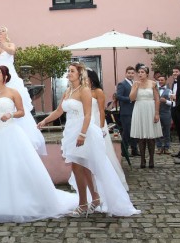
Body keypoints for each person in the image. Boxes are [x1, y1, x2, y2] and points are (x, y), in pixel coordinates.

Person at [0, 66, 78, 222]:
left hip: (8, 133)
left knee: (11, 166)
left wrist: (10, 114)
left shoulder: (13, 92)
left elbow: (22, 111)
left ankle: (16, 200)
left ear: (5, 76)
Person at [37, 62, 140, 218]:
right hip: (70, 131)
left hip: (83, 131)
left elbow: (88, 115)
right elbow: (59, 111)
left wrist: (83, 134)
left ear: (79, 74)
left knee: (79, 167)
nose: (69, 73)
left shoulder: (84, 91)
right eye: (68, 71)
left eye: (72, 71)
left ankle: (83, 204)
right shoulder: (68, 91)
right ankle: (95, 198)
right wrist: (44, 121)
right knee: (83, 168)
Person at [0, 26, 46, 155]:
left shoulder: (11, 45)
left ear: (6, 33)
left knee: (16, 106)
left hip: (10, 77)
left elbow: (12, 52)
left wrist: (3, 45)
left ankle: (17, 137)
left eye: (2, 30)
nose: (0, 32)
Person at [68, 68, 128, 194]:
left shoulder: (98, 92)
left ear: (91, 78)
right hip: (84, 124)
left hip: (96, 123)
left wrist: (101, 128)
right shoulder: (80, 91)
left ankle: (107, 182)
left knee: (101, 153)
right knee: (84, 154)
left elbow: (101, 111)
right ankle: (88, 184)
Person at [129, 65, 162, 168]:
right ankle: (142, 159)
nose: (140, 74)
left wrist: (156, 113)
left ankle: (151, 159)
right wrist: (136, 88)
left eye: (142, 72)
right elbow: (132, 98)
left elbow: (157, 99)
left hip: (150, 108)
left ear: (147, 73)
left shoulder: (153, 84)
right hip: (139, 108)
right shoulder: (135, 84)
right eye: (139, 72)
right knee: (141, 137)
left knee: (151, 137)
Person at [115, 66, 138, 157]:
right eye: (129, 73)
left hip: (135, 111)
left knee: (135, 131)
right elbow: (118, 96)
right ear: (126, 73)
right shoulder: (122, 84)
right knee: (127, 132)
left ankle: (134, 149)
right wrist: (130, 99)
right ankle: (124, 151)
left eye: (132, 73)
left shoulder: (135, 83)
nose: (130, 75)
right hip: (126, 112)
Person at [156, 74, 173, 154]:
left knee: (167, 131)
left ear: (165, 81)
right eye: (159, 80)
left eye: (162, 80)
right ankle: (159, 147)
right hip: (157, 112)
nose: (160, 82)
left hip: (166, 113)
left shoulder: (169, 91)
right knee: (157, 130)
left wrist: (166, 101)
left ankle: (167, 147)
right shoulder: (155, 90)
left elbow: (173, 103)